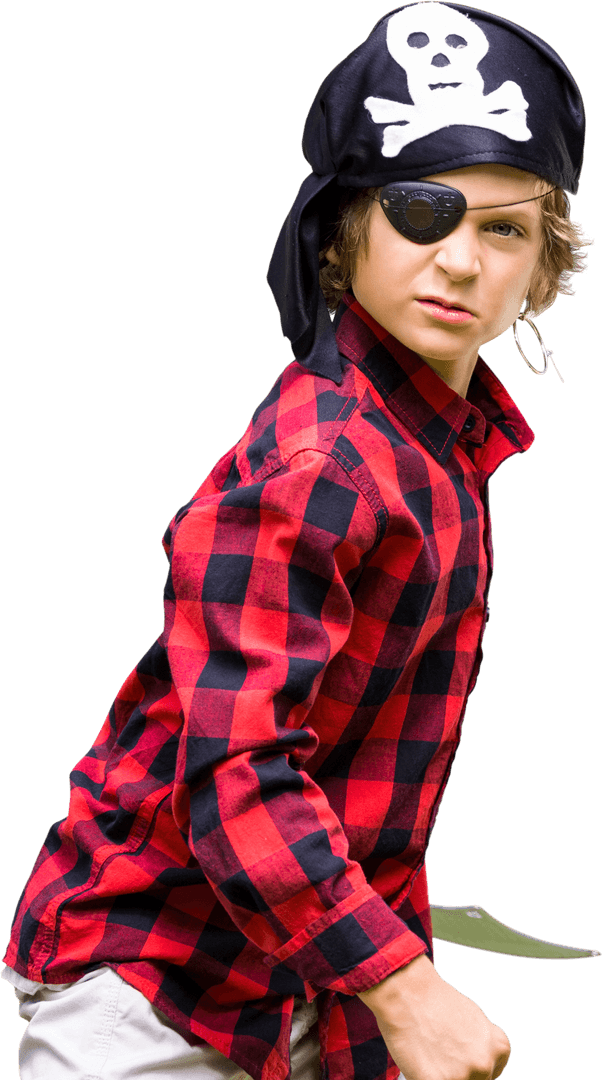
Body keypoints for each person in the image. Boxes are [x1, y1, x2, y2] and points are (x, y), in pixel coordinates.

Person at [2, 4, 592, 1079]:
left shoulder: (439, 445)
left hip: (308, 978)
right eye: (421, 212)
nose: (462, 261)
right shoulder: (322, 461)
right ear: (343, 231)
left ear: (544, 265)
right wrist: (406, 991)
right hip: (160, 986)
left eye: (504, 228)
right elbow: (236, 768)